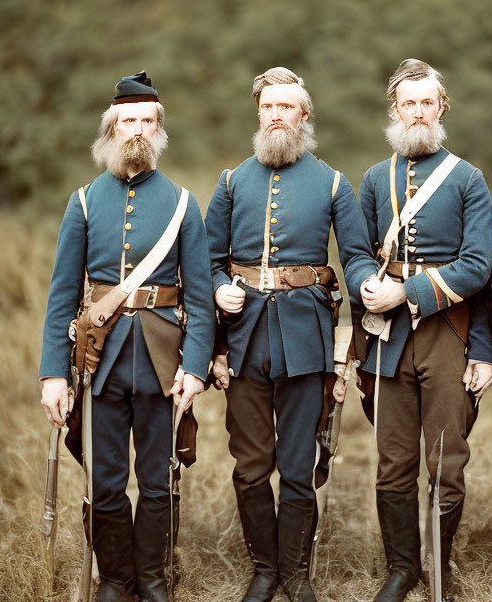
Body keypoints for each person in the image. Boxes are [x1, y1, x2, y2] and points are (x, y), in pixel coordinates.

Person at [39, 72, 215, 602]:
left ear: (158, 129)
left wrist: (196, 368)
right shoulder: (85, 202)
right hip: (100, 361)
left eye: (146, 120)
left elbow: (202, 300)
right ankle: (116, 581)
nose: (136, 129)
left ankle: (153, 578)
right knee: (106, 479)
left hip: (164, 364)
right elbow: (62, 294)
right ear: (111, 128)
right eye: (127, 120)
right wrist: (53, 373)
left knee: (158, 479)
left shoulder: (184, 204)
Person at [205, 66, 378, 602]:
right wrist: (217, 291)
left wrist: (352, 337)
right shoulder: (232, 182)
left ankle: (297, 574)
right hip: (243, 339)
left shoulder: (331, 183)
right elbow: (207, 261)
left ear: (304, 115)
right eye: (267, 107)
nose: (276, 115)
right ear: (259, 113)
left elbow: (354, 259)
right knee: (251, 463)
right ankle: (265, 570)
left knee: (299, 464)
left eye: (287, 107)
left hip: (308, 339)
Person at [344, 58, 492, 602]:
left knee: (446, 456)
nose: (417, 111)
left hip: (446, 331)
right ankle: (402, 567)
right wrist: (367, 284)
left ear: (441, 107)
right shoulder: (372, 179)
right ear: (395, 109)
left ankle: (441, 565)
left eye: (426, 101)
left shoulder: (468, 179)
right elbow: (357, 252)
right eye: (407, 102)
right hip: (386, 336)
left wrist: (405, 293)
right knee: (392, 457)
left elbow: (478, 266)